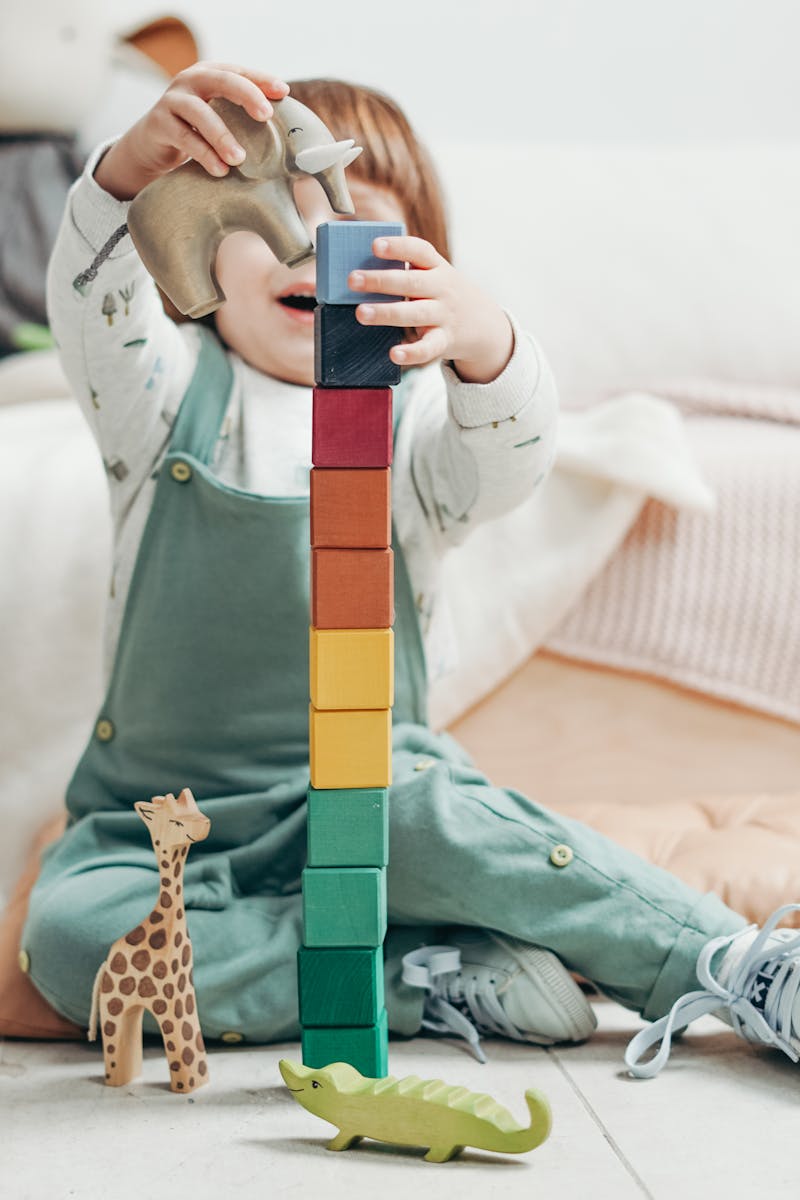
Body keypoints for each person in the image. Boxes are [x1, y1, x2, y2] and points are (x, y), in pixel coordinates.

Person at [22, 63, 800, 1078]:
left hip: (365, 794)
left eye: (353, 224)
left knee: (437, 816)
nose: (311, 241)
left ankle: (729, 961)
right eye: (271, 210)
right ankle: (425, 977)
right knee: (74, 944)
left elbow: (508, 460)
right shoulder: (161, 400)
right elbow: (94, 304)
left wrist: (486, 345)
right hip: (165, 831)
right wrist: (126, 177)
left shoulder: (418, 423)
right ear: (203, 243)